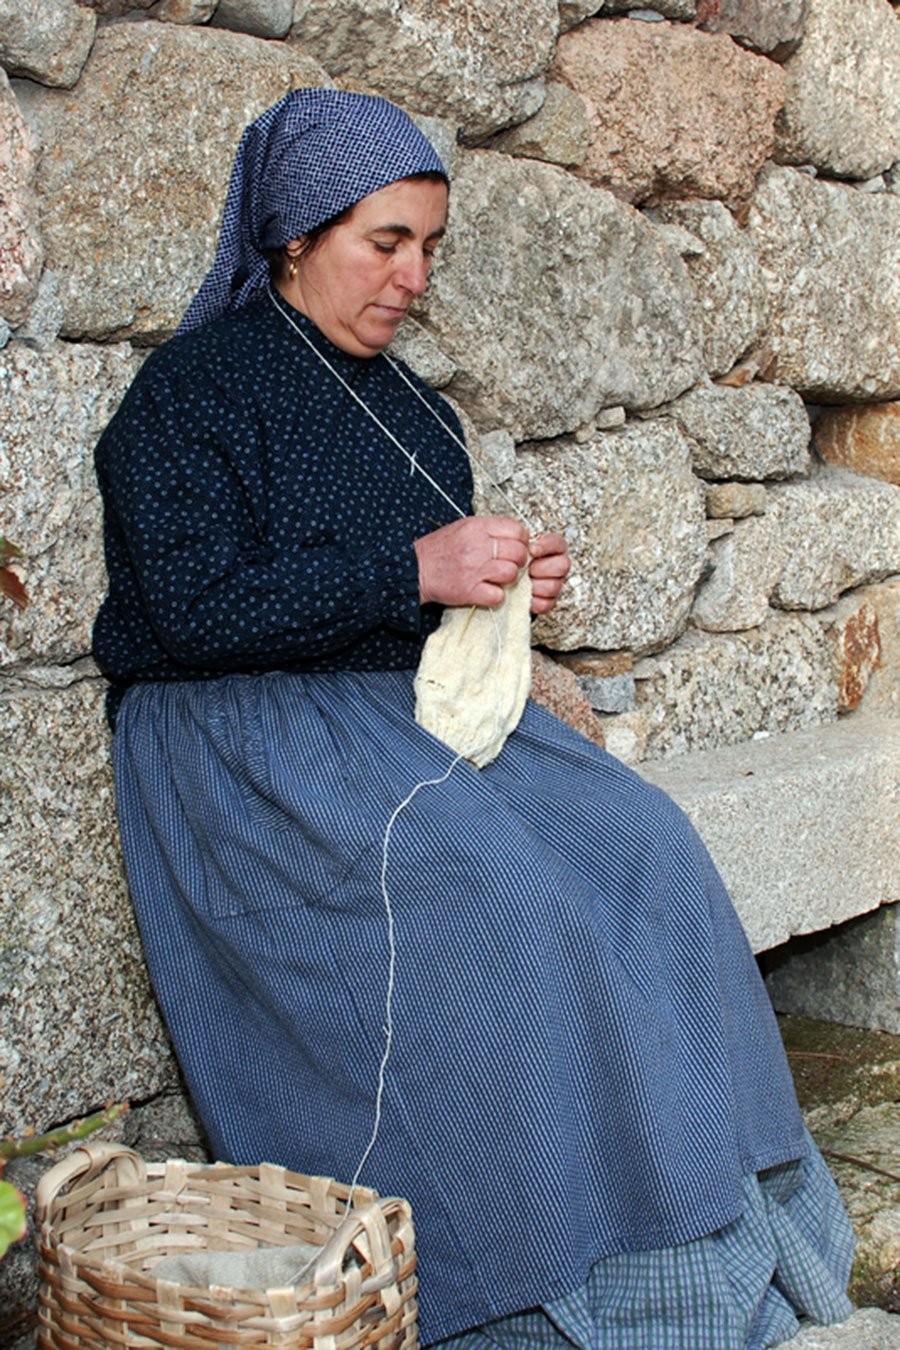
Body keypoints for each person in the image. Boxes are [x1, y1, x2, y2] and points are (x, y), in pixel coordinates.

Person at [93, 88, 855, 1349]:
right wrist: (416, 571)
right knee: (502, 897)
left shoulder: (410, 407)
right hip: (244, 745)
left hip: (395, 718)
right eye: (385, 242)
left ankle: (704, 1230)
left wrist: (496, 586)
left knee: (647, 845)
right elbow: (185, 612)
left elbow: (423, 594)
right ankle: (535, 1279)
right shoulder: (189, 395)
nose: (413, 275)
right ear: (294, 235)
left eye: (429, 247)